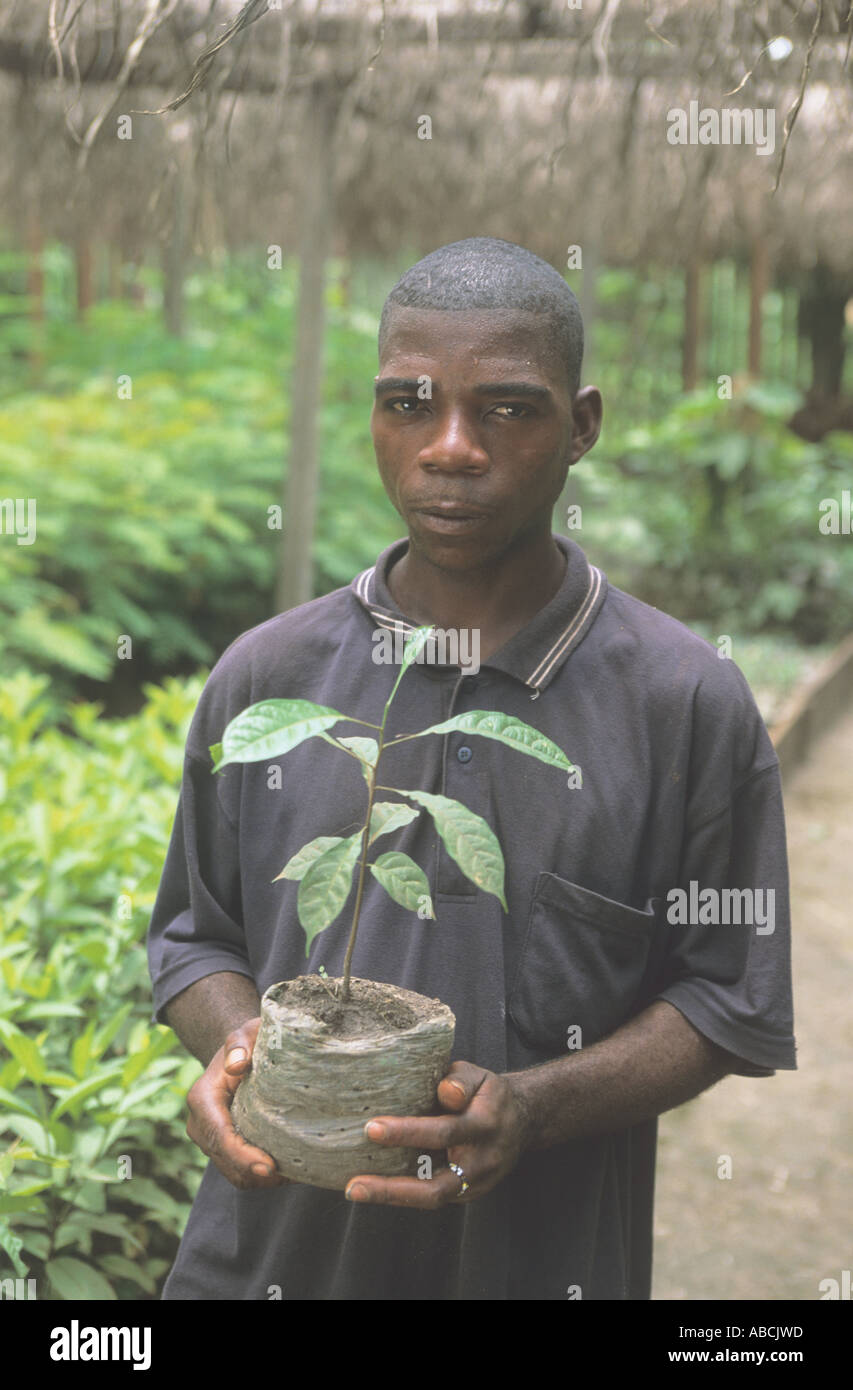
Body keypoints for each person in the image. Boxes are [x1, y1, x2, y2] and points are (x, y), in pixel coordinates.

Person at [147, 237, 796, 1300]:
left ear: (581, 424)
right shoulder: (269, 680)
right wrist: (235, 1047)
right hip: (256, 1265)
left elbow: (726, 996)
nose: (449, 447)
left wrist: (533, 1105)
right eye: (408, 401)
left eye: (506, 408)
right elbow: (192, 935)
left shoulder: (681, 702)